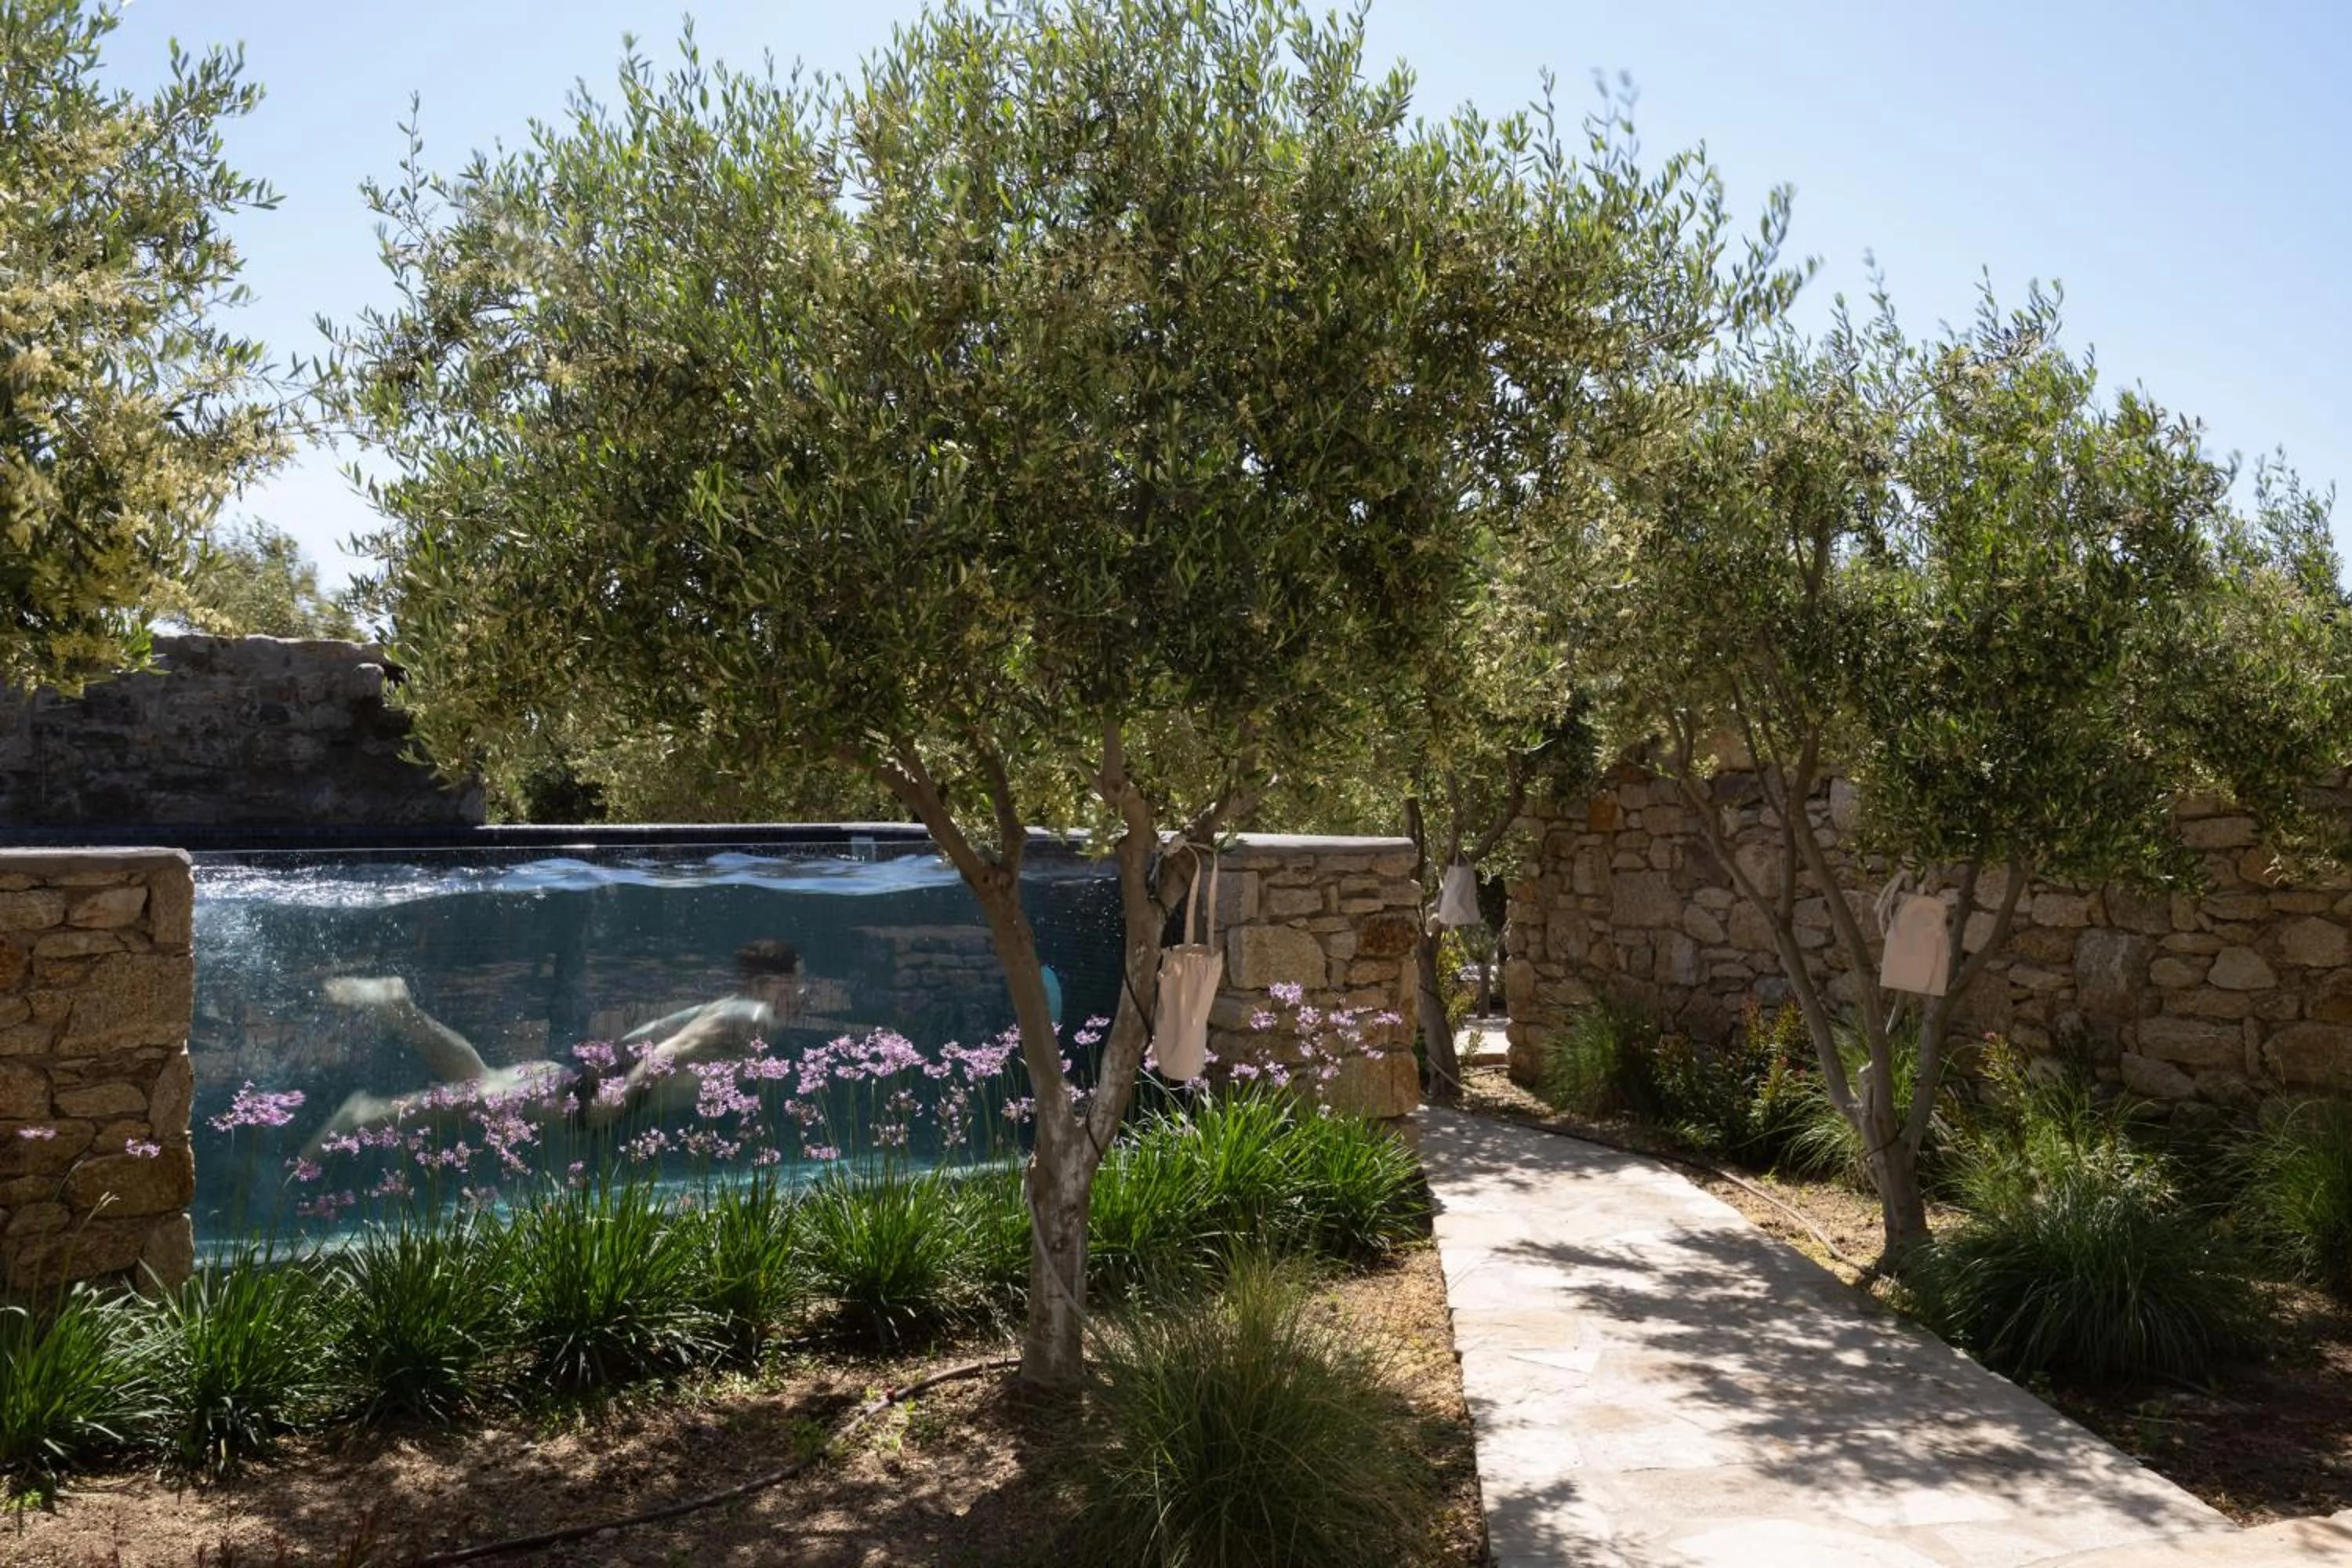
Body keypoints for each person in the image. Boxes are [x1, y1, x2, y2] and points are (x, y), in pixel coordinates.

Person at [300, 938, 806, 1155]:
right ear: (766, 984)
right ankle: (364, 1114)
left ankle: (399, 1008)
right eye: (795, 985)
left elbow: (646, 1041)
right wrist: (615, 1103)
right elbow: (673, 1048)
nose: (800, 995)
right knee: (464, 1102)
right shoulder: (751, 1017)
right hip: (578, 1099)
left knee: (479, 1081)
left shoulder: (734, 1009)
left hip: (571, 1083)